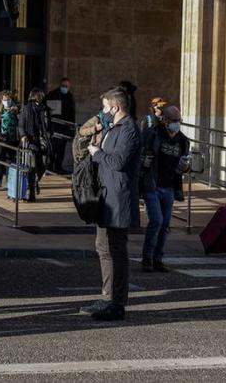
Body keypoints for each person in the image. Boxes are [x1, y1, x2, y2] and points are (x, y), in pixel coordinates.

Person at [80, 89, 141, 322]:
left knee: (116, 250)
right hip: (106, 197)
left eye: (105, 107)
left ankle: (117, 302)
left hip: (118, 198)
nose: (103, 112)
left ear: (115, 108)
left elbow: (117, 161)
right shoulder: (113, 128)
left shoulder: (129, 130)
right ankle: (107, 296)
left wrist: (97, 153)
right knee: (103, 247)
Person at [139, 105, 190, 273]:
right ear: (165, 120)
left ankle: (158, 258)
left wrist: (184, 168)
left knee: (165, 224)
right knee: (156, 221)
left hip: (169, 186)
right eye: (174, 121)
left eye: (179, 121)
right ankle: (147, 258)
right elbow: (142, 154)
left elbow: (184, 162)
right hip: (152, 185)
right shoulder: (154, 134)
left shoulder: (182, 140)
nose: (177, 124)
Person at [19, 88, 51, 201]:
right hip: (31, 141)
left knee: (44, 163)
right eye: (40, 95)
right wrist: (23, 136)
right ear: (35, 96)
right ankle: (31, 192)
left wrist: (49, 135)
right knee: (32, 167)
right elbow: (21, 124)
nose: (42, 97)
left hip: (43, 141)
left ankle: (36, 179)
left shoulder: (45, 109)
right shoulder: (26, 108)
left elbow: (49, 125)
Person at [45, 78, 76, 172]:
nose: (65, 88)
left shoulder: (69, 96)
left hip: (65, 127)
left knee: (61, 149)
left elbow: (72, 112)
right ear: (60, 85)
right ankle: (50, 167)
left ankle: (58, 167)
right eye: (63, 86)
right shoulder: (52, 94)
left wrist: (71, 126)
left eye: (67, 86)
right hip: (54, 126)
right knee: (52, 148)